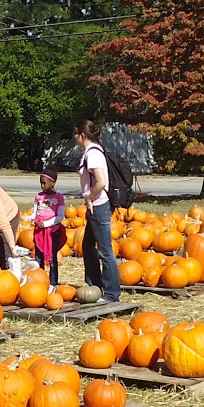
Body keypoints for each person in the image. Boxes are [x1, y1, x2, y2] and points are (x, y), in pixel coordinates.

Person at [76, 118, 122, 302]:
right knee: (87, 245)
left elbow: (101, 182)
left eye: (75, 134)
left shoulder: (92, 154)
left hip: (99, 205)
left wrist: (89, 198)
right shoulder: (92, 151)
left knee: (105, 250)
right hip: (96, 206)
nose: (74, 138)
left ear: (82, 135)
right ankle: (94, 284)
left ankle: (112, 293)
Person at [31, 169, 68, 284]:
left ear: (53, 183)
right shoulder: (39, 196)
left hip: (52, 232)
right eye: (41, 183)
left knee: (52, 258)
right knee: (38, 257)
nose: (42, 186)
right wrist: (33, 219)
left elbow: (60, 216)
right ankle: (40, 281)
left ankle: (53, 282)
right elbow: (35, 210)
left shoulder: (59, 197)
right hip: (39, 232)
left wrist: (46, 224)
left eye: (44, 183)